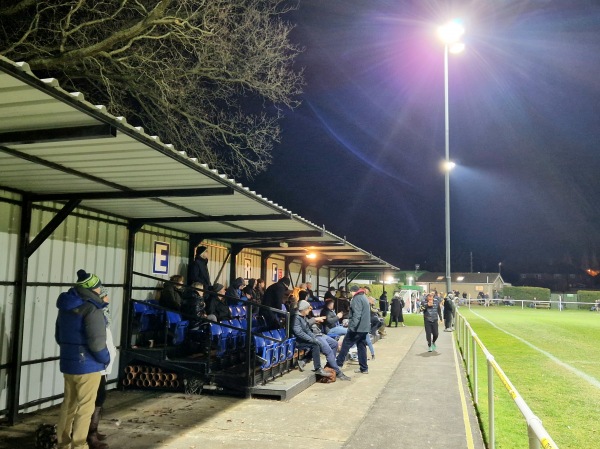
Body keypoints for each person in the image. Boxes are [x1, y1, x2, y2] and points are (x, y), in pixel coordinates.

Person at [55, 270, 110, 449]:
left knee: (68, 407)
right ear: (92, 288)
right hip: (88, 366)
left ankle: (63, 444)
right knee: (85, 410)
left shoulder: (65, 307)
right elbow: (96, 343)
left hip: (68, 364)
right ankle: (79, 446)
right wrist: (106, 358)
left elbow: (58, 336)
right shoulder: (91, 308)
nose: (100, 290)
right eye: (98, 287)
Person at [87, 287, 117, 449]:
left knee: (101, 397)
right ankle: (89, 434)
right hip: (97, 365)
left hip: (103, 365)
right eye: (105, 296)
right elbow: (96, 342)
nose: (108, 299)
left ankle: (94, 430)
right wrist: (104, 358)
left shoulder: (102, 315)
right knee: (96, 398)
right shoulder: (95, 314)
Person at [292, 300, 350, 380]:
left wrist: (313, 337)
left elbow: (307, 329)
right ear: (304, 309)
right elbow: (299, 332)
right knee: (324, 348)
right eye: (308, 308)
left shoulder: (303, 316)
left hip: (317, 334)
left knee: (334, 344)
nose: (310, 310)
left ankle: (330, 365)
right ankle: (337, 372)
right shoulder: (296, 318)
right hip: (302, 340)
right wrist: (312, 339)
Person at [335, 285, 370, 374]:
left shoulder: (357, 299)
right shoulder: (364, 297)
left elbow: (357, 315)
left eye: (350, 292)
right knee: (361, 347)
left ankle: (337, 365)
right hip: (364, 328)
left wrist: (352, 327)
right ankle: (364, 368)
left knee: (345, 345)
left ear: (352, 291)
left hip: (357, 328)